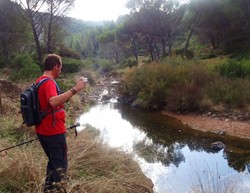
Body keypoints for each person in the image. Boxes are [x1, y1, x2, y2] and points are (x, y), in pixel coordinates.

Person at [35, 54, 87, 192]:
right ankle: (57, 189)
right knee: (60, 168)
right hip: (53, 132)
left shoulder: (39, 81)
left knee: (53, 163)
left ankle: (47, 190)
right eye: (60, 68)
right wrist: (75, 89)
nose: (61, 71)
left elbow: (50, 102)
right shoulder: (49, 82)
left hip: (42, 131)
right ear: (56, 66)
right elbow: (53, 101)